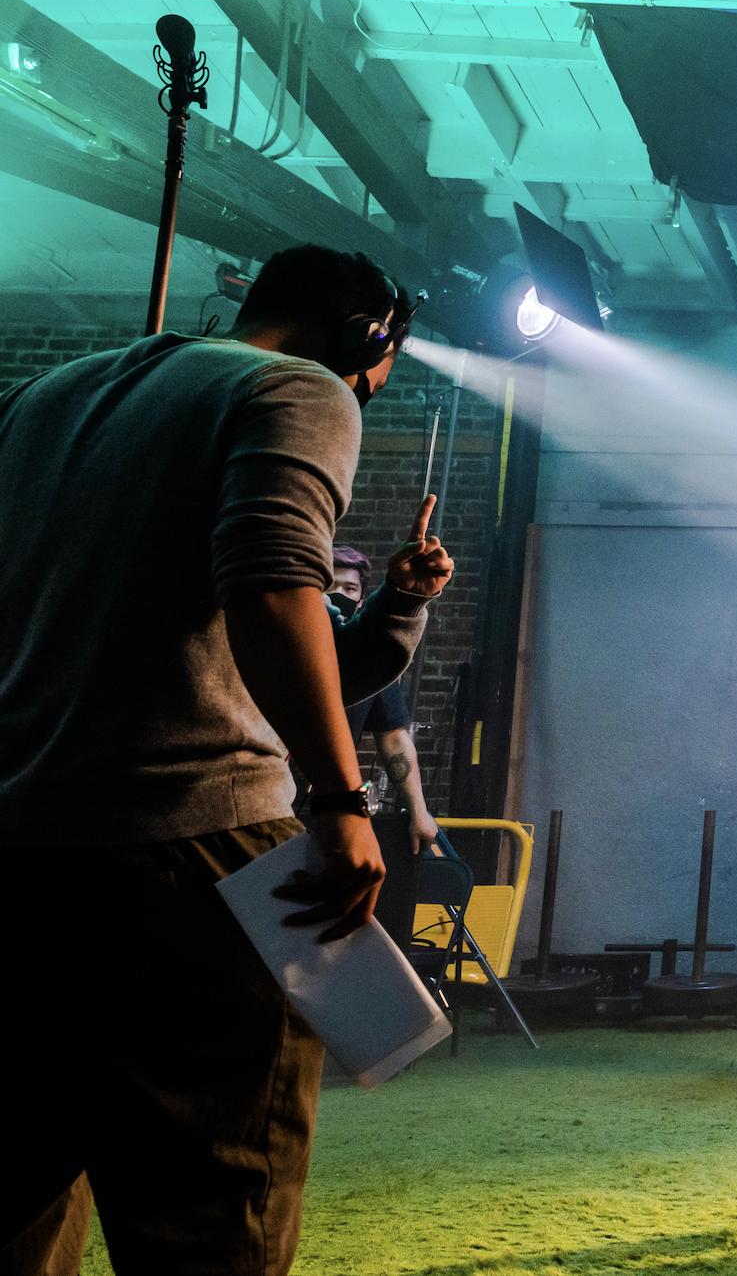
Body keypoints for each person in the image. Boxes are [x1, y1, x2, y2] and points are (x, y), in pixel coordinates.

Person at [0, 243, 454, 1276]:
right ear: (367, 338)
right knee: (217, 1218)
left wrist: (402, 604)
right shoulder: (301, 387)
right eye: (378, 373)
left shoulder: (43, 398)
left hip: (23, 859)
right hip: (196, 856)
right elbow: (271, 584)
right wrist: (342, 798)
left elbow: (297, 650)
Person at [329, 545, 440, 947]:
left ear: (362, 597)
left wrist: (420, 811)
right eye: (330, 585)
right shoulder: (288, 643)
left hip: (329, 809)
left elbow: (393, 735)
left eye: (349, 588)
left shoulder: (367, 658)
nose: (339, 594)